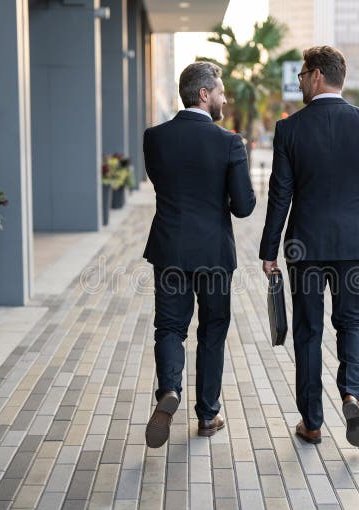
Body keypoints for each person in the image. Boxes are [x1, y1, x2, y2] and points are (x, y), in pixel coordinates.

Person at [259, 46, 359, 446]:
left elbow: (280, 195)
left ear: (318, 75)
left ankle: (313, 422)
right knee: (351, 321)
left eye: (304, 74)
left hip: (304, 246)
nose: (301, 81)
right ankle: (352, 393)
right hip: (353, 243)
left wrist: (269, 251)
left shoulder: (290, 129)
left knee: (308, 332)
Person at [143, 62, 256, 448]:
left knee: (170, 328)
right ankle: (208, 414)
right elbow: (243, 207)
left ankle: (169, 390)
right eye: (221, 91)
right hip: (213, 252)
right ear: (204, 94)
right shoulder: (229, 142)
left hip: (170, 247)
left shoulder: (154, 138)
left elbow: (163, 185)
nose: (224, 98)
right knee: (212, 331)